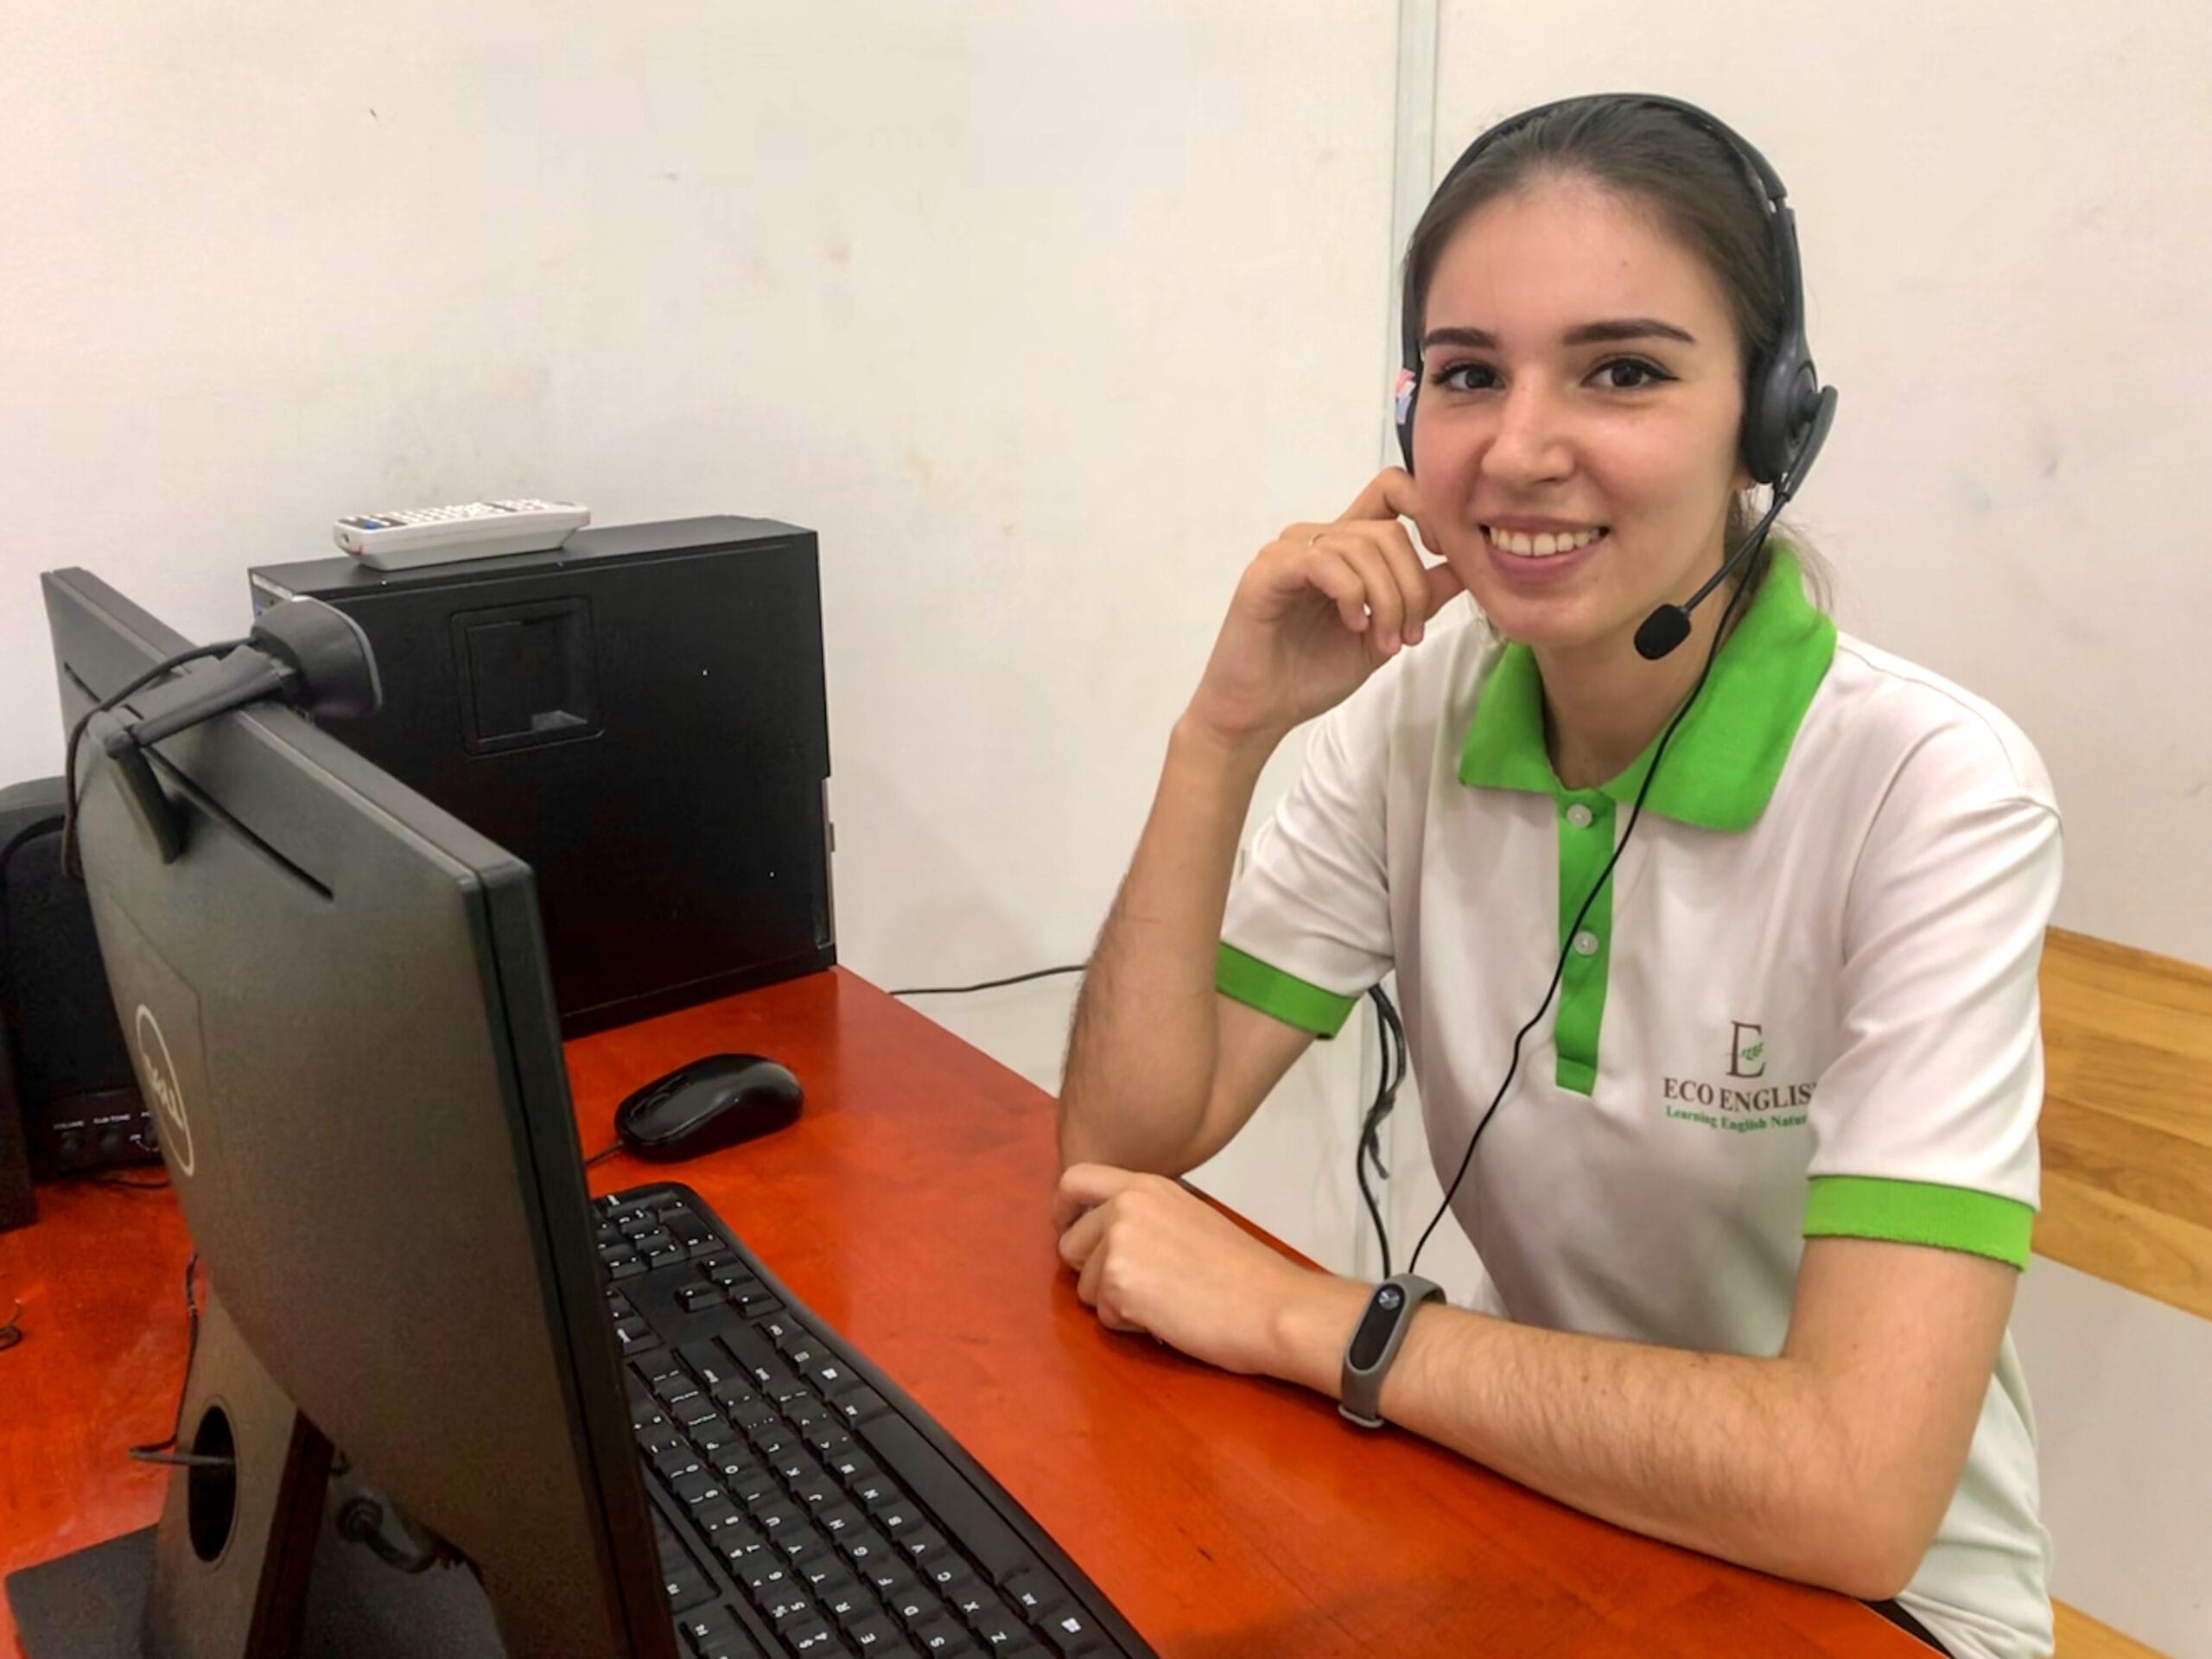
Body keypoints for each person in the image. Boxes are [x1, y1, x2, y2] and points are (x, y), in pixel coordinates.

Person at [1052, 94, 2059, 1659]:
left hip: (1878, 1613)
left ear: (1770, 425)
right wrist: (1222, 734)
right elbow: (1122, 1153)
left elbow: (1851, 1491)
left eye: (1624, 371)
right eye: (1468, 375)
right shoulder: (1410, 719)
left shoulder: (1932, 789)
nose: (1519, 451)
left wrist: (1313, 1320)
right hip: (1543, 1514)